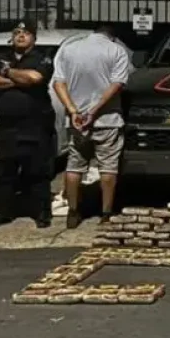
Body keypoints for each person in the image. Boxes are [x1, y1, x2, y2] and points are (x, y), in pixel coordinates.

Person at [52, 25, 131, 229]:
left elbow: (58, 83)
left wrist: (73, 111)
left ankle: (73, 211)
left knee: (74, 166)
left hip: (77, 120)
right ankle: (105, 212)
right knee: (108, 167)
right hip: (108, 119)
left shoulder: (69, 49)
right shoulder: (116, 51)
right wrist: (94, 111)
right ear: (111, 36)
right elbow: (117, 84)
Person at [0, 20, 55, 229]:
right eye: (17, 32)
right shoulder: (0, 57)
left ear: (34, 38)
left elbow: (35, 78)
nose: (21, 36)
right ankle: (2, 211)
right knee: (6, 172)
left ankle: (41, 212)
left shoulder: (43, 57)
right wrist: (18, 79)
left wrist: (6, 73)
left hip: (35, 124)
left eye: (25, 33)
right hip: (7, 126)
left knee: (37, 172)